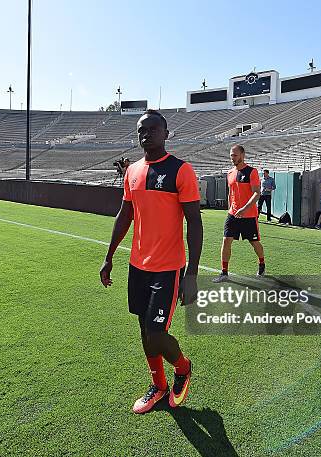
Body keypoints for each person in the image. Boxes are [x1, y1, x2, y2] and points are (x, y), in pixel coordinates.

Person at [100, 110, 203, 414]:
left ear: (166, 133)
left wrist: (192, 274)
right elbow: (125, 216)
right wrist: (108, 258)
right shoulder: (132, 172)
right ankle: (158, 387)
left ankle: (183, 368)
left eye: (153, 129)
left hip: (168, 268)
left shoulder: (180, 171)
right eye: (141, 130)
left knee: (157, 333)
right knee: (145, 332)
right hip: (138, 266)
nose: (146, 134)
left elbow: (194, 223)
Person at [213, 144, 266, 282]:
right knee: (226, 241)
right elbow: (231, 192)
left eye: (235, 155)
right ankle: (224, 272)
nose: (232, 158)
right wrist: (231, 208)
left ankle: (261, 263)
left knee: (254, 242)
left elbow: (256, 193)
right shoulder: (230, 173)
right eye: (231, 155)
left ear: (242, 155)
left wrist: (245, 209)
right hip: (233, 214)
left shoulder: (251, 172)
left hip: (248, 215)